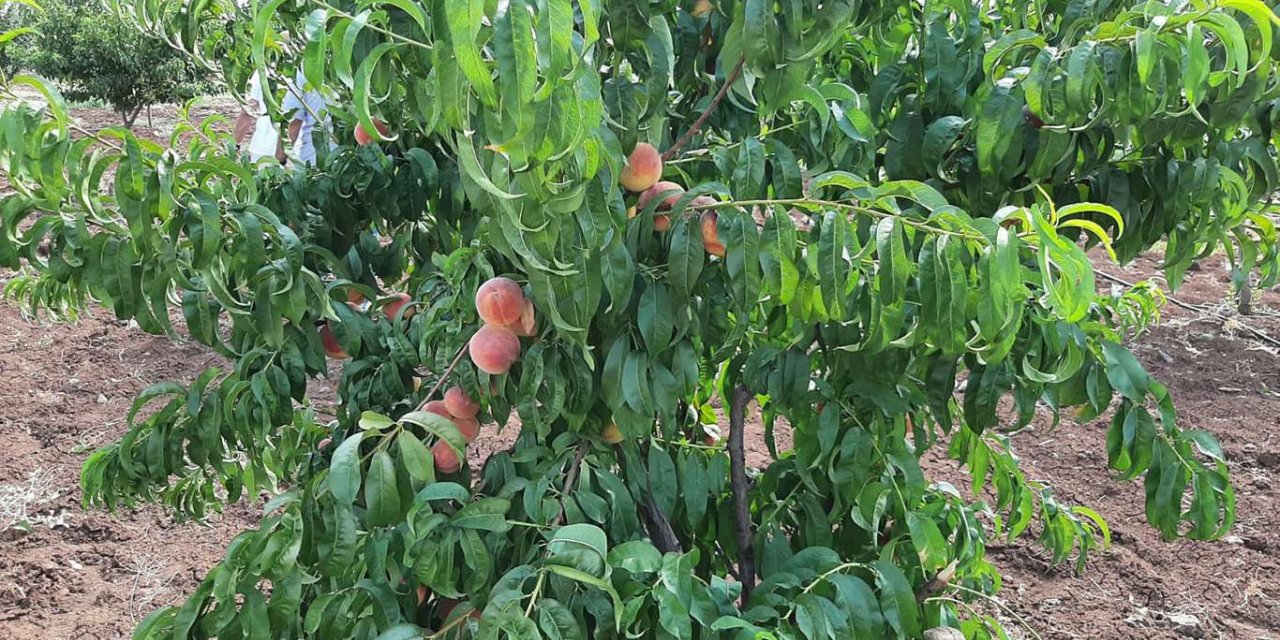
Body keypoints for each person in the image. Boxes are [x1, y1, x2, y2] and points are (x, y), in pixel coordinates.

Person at [281, 69, 335, 167]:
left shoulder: (302, 68)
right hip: (354, 160)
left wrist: (280, 160)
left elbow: (293, 124)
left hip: (314, 161)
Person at [232, 69, 283, 165]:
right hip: (297, 150)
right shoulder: (307, 67)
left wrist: (235, 145)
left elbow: (249, 111)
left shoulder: (263, 70)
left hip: (263, 148)